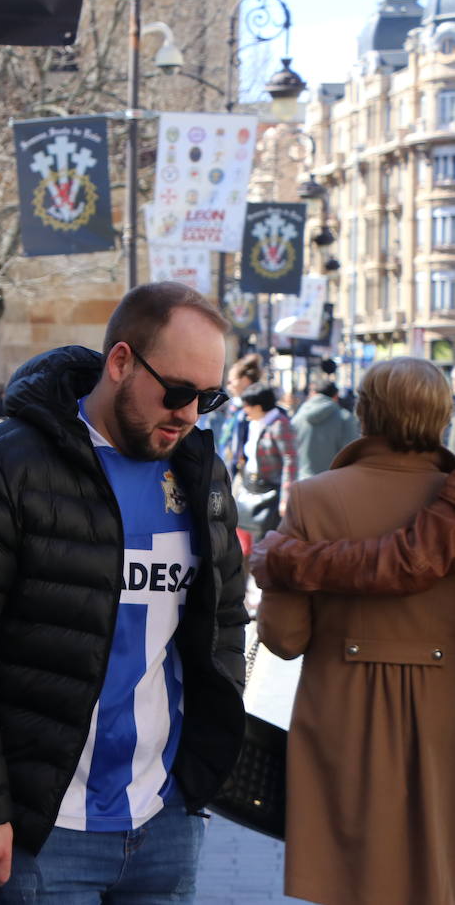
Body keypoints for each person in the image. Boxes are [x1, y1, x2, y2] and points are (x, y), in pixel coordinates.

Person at [0, 282, 247, 903]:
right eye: (175, 392)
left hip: (166, 816)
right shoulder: (5, 465)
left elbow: (224, 616)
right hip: (45, 828)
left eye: (209, 397)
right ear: (119, 362)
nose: (189, 414)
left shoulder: (200, 469)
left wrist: (199, 770)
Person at [253, 358, 455, 905]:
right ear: (442, 416)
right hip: (445, 719)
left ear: (364, 413)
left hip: (344, 717)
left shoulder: (317, 498)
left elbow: (284, 638)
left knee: (352, 882)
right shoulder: (449, 501)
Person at [233, 382, 297, 558]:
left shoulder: (280, 424)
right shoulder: (254, 423)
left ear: (259, 406)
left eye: (247, 405)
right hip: (252, 487)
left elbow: (290, 460)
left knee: (265, 539)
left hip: (270, 491)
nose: (244, 410)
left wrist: (286, 497)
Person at [291, 376, 360, 479]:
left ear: (312, 394)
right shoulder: (344, 418)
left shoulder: (297, 418)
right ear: (336, 396)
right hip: (334, 484)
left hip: (302, 482)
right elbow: (352, 456)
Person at [217, 352, 263, 471]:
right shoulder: (234, 405)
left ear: (245, 380)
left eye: (231, 381)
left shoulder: (256, 408)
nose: (228, 386)